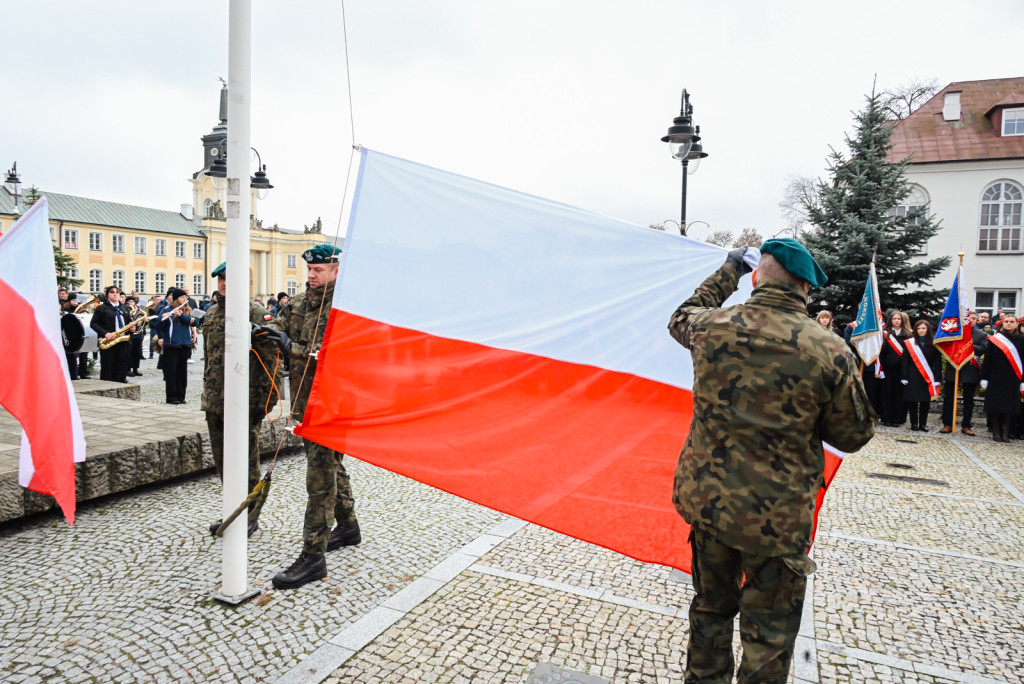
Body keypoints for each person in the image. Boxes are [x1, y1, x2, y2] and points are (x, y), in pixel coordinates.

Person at [667, 239, 874, 682]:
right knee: (769, 636)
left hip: (711, 506)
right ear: (805, 288)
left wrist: (729, 269)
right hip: (777, 520)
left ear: (757, 278)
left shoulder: (711, 327)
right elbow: (853, 435)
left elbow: (681, 315)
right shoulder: (830, 350)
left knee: (710, 612)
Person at [270, 244, 362, 591]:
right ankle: (348, 527)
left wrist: (288, 346)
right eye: (309, 269)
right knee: (330, 466)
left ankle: (313, 556)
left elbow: (332, 353)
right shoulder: (300, 302)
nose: (311, 275)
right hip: (305, 402)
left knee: (320, 477)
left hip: (334, 405)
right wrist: (262, 330)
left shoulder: (347, 306)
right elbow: (278, 325)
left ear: (336, 270)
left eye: (319, 270)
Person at [202, 262, 288, 538]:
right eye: (221, 279)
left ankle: (250, 514)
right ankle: (233, 508)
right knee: (223, 460)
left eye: (230, 278)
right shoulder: (212, 313)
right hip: (215, 400)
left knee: (246, 460)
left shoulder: (257, 314)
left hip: (245, 402)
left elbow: (272, 362)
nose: (224, 284)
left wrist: (264, 403)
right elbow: (208, 359)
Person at [939, 312, 988, 435]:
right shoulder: (954, 332)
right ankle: (947, 424)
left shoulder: (981, 334)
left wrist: (967, 345)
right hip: (954, 368)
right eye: (968, 318)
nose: (970, 320)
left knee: (968, 400)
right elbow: (945, 346)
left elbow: (982, 349)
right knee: (949, 398)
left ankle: (966, 425)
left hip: (970, 370)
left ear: (976, 320)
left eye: (973, 318)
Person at [981, 314, 1023, 442]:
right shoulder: (995, 339)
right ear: (1003, 323)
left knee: (1010, 406)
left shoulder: (1022, 339)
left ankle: (1006, 431)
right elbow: (987, 360)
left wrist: (1023, 380)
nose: (1008, 323)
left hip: (1013, 377)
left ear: (1017, 324)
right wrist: (984, 377)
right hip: (996, 377)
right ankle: (996, 431)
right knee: (995, 405)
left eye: (1011, 321)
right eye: (1006, 321)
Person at [154, 288, 197, 404]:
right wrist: (165, 318)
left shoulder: (187, 310)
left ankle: (181, 396)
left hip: (185, 344)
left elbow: (195, 322)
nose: (185, 299)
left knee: (182, 372)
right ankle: (172, 397)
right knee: (171, 372)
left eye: (185, 297)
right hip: (171, 345)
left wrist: (181, 316)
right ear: (176, 299)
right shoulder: (166, 310)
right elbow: (158, 326)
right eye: (182, 297)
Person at [901, 319, 941, 431]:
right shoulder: (909, 343)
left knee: (925, 401)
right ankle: (914, 423)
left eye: (923, 328)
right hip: (912, 374)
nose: (921, 330)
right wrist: (904, 376)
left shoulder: (934, 343)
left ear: (928, 329)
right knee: (912, 400)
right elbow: (904, 360)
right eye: (918, 328)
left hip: (927, 375)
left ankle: (923, 424)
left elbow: (938, 362)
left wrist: (937, 378)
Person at [89, 285, 131, 383]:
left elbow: (128, 322)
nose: (115, 294)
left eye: (117, 292)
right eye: (112, 292)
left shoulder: (124, 308)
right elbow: (93, 324)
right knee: (107, 366)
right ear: (107, 295)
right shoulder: (101, 308)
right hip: (108, 341)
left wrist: (132, 328)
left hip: (122, 341)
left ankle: (121, 382)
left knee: (121, 365)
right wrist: (105, 333)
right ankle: (106, 385)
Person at [879, 310, 912, 427]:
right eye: (894, 319)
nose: (896, 321)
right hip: (887, 369)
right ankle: (887, 418)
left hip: (902, 369)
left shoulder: (908, 334)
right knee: (887, 394)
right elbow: (880, 353)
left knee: (900, 394)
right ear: (890, 320)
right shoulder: (884, 334)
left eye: (899, 319)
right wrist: (880, 369)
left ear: (902, 320)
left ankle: (898, 418)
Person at [124, 296, 146, 377]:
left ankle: (135, 369)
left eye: (132, 302)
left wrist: (145, 321)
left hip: (138, 334)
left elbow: (143, 324)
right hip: (130, 335)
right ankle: (128, 369)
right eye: (129, 302)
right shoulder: (126, 310)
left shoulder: (139, 311)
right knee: (129, 353)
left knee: (137, 352)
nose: (131, 303)